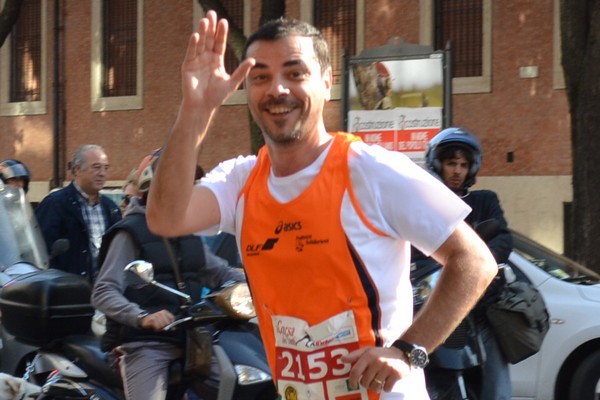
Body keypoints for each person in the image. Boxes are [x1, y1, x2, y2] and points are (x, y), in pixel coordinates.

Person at [146, 11, 497, 399]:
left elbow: (474, 262)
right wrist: (196, 110)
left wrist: (408, 351)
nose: (277, 89)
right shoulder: (241, 181)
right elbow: (166, 216)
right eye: (260, 76)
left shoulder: (371, 170)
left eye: (295, 73)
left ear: (327, 82)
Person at [91, 149, 245, 400]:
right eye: (177, 179)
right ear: (152, 184)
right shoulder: (129, 232)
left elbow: (219, 272)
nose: (185, 187)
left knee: (244, 384)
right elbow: (104, 290)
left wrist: (262, 283)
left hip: (193, 340)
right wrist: (142, 316)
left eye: (188, 181)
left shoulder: (187, 230)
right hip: (145, 344)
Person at [423, 126, 513, 400]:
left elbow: (504, 241)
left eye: (463, 164)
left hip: (481, 309)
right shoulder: (426, 202)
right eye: (451, 163)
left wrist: (473, 262)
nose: (457, 171)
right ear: (438, 164)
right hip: (434, 303)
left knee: (496, 384)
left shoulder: (484, 201)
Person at [35, 144, 121, 281]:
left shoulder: (111, 208)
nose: (102, 173)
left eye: (106, 168)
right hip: (67, 292)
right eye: (96, 167)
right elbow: (40, 251)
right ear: (77, 170)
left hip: (104, 291)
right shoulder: (55, 204)